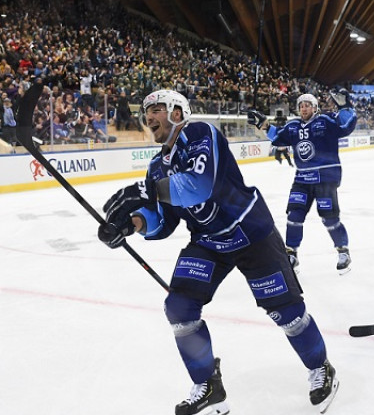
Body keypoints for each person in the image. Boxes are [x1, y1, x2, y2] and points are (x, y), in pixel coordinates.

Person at [97, 90, 339, 415]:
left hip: (249, 231)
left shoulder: (199, 133)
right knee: (179, 307)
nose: (149, 116)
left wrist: (143, 193)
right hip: (209, 241)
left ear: (178, 113)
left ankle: (321, 367)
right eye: (147, 111)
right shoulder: (156, 166)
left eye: (156, 109)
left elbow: (199, 185)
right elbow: (164, 221)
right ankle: (209, 386)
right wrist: (132, 225)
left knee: (286, 311)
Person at [247, 90, 357, 275]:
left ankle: (343, 251)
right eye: (301, 106)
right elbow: (278, 138)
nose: (303, 108)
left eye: (307, 105)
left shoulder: (326, 121)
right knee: (294, 216)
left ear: (315, 108)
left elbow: (346, 125)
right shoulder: (293, 126)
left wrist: (345, 106)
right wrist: (264, 124)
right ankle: (291, 254)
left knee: (329, 217)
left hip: (325, 177)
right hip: (302, 179)